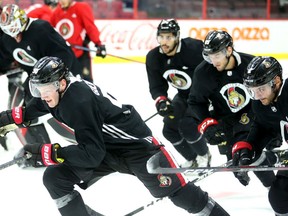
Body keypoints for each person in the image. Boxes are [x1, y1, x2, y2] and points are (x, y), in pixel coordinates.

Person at [0, 56, 230, 216]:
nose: (42, 95)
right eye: (38, 89)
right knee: (55, 179)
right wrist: (5, 118)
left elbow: (91, 155)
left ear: (61, 84)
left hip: (138, 149)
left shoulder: (78, 101)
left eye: (46, 89)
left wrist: (45, 153)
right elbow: (35, 109)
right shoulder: (56, 93)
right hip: (103, 148)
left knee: (181, 196)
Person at [187, 30, 276, 187]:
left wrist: (272, 124)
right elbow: (195, 102)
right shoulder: (203, 73)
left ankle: (273, 186)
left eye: (217, 56)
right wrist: (208, 123)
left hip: (252, 114)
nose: (213, 62)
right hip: (225, 119)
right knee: (235, 162)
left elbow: (270, 95)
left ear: (229, 50)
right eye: (209, 56)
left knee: (248, 153)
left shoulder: (251, 64)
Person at [0, 4, 81, 148]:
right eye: (8, 30)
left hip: (57, 79)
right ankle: (38, 148)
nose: (14, 35)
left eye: (13, 28)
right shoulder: (7, 40)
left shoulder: (40, 29)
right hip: (35, 82)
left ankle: (89, 141)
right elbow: (4, 59)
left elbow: (64, 54)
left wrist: (54, 77)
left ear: (21, 20)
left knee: (58, 116)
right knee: (23, 113)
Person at [145, 19, 211, 168]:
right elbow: (156, 86)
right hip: (183, 96)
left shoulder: (194, 49)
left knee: (188, 125)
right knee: (169, 129)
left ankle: (204, 155)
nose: (164, 41)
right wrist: (162, 101)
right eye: (161, 37)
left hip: (204, 97)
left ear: (177, 36)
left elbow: (215, 67)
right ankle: (192, 159)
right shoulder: (154, 57)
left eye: (168, 37)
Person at [233, 56, 288, 215]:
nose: (257, 95)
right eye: (253, 90)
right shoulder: (261, 104)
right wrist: (248, 149)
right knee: (279, 196)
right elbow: (263, 127)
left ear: (276, 81)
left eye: (261, 89)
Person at [50, 0, 106, 82]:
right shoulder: (56, 13)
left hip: (80, 55)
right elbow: (51, 32)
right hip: (65, 57)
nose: (61, 1)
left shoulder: (81, 8)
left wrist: (98, 44)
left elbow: (90, 27)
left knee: (86, 83)